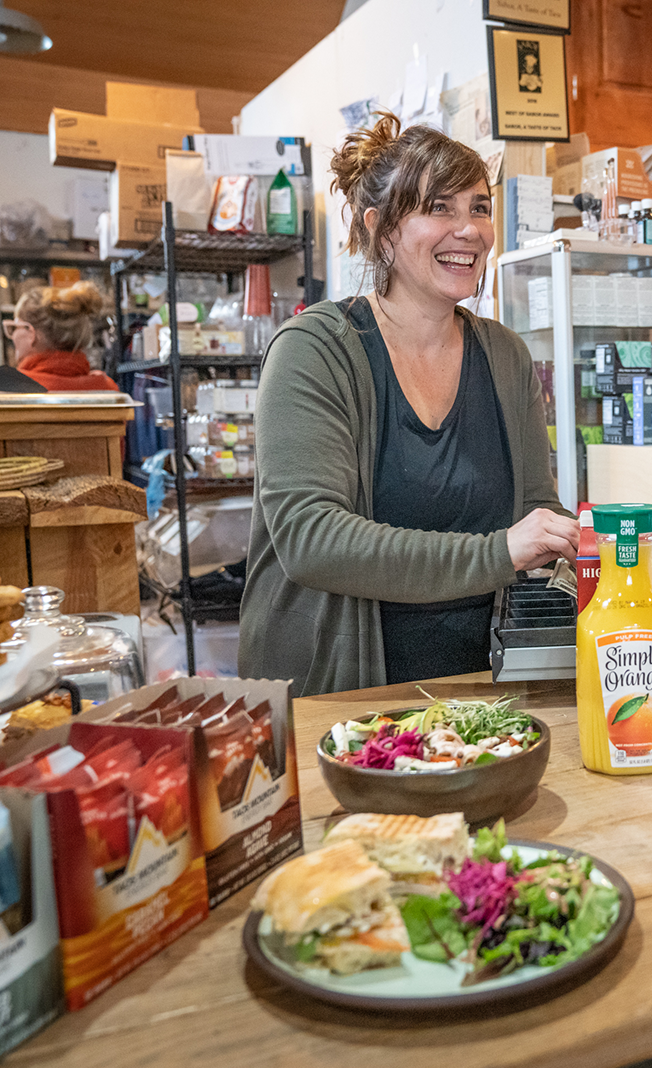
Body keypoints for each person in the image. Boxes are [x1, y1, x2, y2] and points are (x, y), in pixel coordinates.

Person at [239, 111, 578, 696]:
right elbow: (311, 540)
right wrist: (500, 551)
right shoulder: (316, 350)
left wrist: (586, 541)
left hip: (484, 689)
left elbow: (535, 508)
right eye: (439, 208)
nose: (469, 229)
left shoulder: (504, 355)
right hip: (347, 690)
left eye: (478, 207)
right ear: (380, 231)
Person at [6, 282, 118, 391]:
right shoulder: (106, 387)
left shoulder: (8, 389)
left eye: (14, 327)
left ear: (31, 334)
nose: (13, 335)